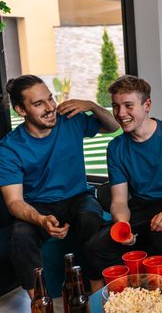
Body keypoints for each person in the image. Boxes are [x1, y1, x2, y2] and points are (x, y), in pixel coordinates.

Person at [0, 75, 120, 298]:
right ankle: (39, 302)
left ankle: (97, 293)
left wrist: (92, 106)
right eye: (38, 104)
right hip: (38, 204)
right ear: (21, 110)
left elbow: (113, 126)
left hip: (78, 197)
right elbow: (14, 201)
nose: (50, 108)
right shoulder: (9, 148)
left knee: (90, 218)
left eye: (50, 99)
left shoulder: (70, 120)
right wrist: (40, 220)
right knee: (20, 235)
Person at [87, 75, 162, 291]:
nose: (121, 114)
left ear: (146, 105)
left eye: (128, 105)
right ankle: (118, 302)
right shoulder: (115, 148)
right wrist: (123, 225)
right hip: (143, 206)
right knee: (96, 246)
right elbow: (120, 201)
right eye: (116, 106)